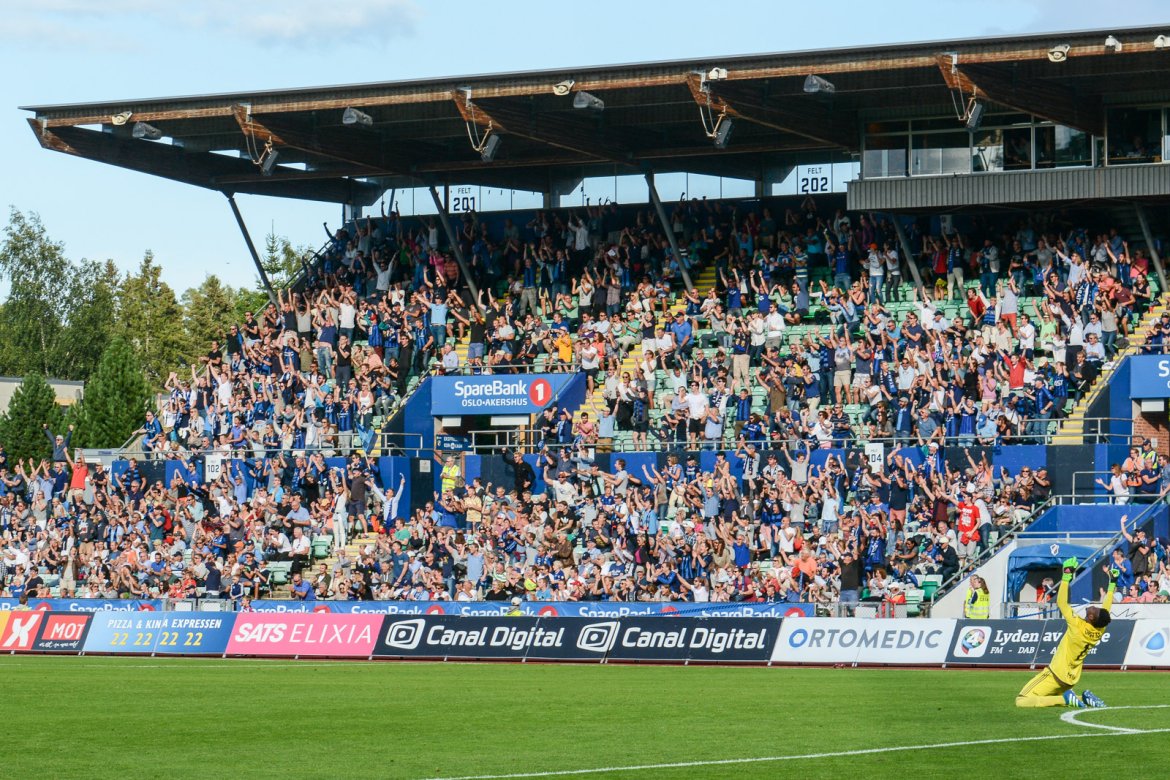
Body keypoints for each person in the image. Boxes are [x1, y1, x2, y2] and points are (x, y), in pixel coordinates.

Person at [1015, 557, 1116, 709]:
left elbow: (1061, 603)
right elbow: (1106, 610)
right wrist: (1112, 583)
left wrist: (1066, 576)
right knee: (1046, 699)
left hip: (1055, 674)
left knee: (1022, 700)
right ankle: (1083, 698)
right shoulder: (1100, 629)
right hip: (1071, 679)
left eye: (1094, 609)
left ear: (1091, 617)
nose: (1093, 606)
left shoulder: (1077, 625)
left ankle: (1066, 699)